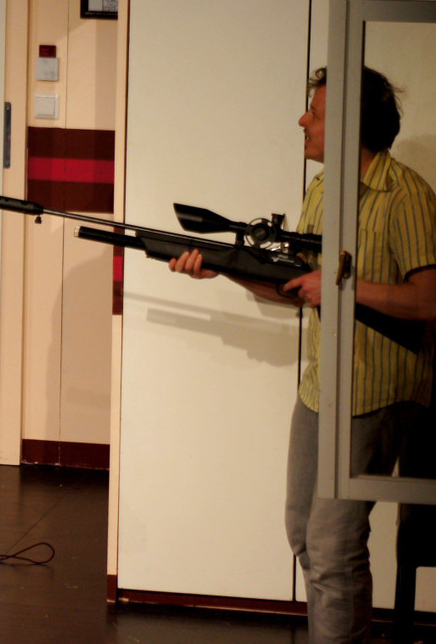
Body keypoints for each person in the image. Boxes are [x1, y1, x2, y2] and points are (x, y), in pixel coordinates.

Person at [170, 67, 436, 643]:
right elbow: (296, 286)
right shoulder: (324, 188)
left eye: (314, 113)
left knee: (333, 546)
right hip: (324, 387)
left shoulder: (407, 194)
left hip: (377, 392)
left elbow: (428, 300)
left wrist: (342, 288)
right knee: (304, 533)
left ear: (349, 123)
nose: (302, 121)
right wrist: (221, 266)